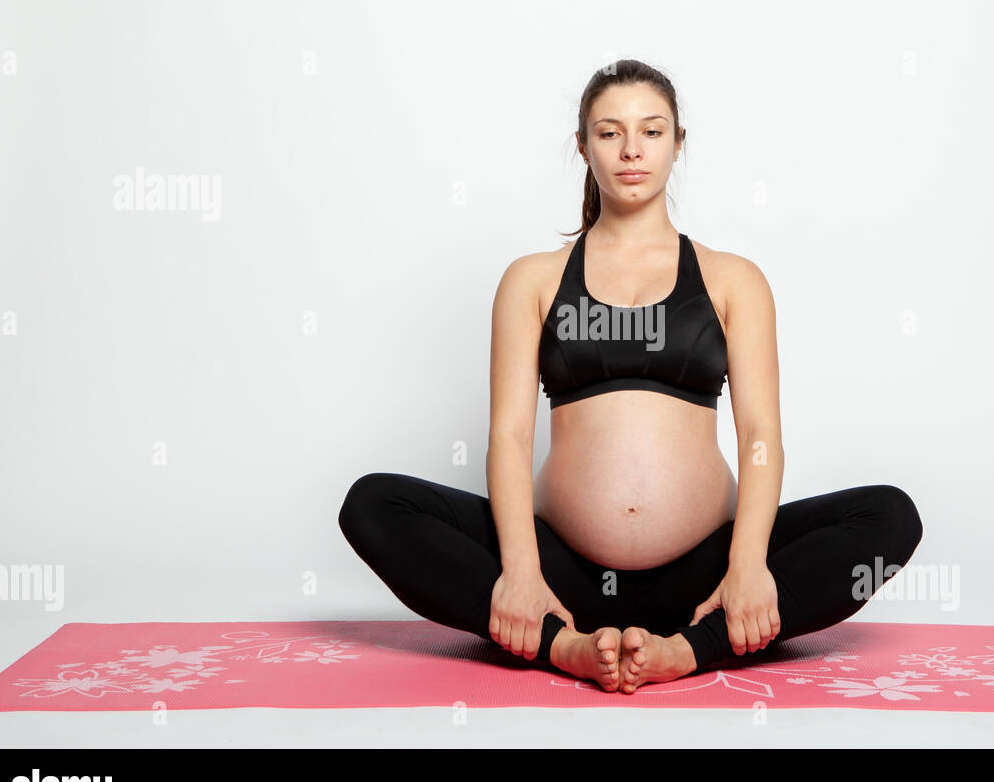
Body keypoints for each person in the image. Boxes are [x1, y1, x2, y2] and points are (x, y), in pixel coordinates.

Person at [339, 59, 923, 694]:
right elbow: (507, 437)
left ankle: (692, 649)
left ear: (678, 142)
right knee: (372, 504)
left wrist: (749, 563)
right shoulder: (532, 279)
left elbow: (760, 432)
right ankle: (560, 646)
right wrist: (522, 569)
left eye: (651, 131)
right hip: (563, 579)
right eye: (610, 132)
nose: (631, 150)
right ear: (583, 145)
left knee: (890, 517)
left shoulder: (733, 279)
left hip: (704, 580)